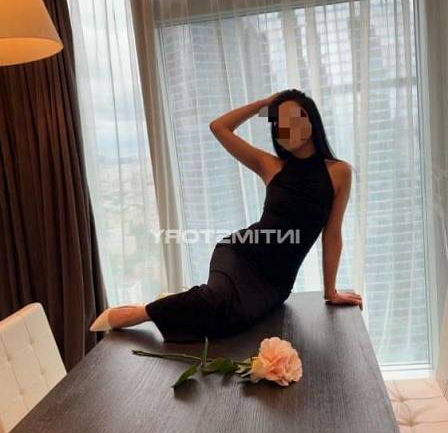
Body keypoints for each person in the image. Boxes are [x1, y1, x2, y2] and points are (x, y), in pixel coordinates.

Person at [90, 89, 363, 341]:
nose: (288, 127)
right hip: (241, 253)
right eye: (280, 123)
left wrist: (331, 291)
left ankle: (180, 302)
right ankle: (142, 312)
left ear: (311, 119)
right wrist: (264, 105)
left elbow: (332, 234)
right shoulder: (271, 166)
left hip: (276, 283)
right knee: (217, 301)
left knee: (232, 322)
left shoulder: (339, 172)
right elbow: (219, 127)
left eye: (294, 118)